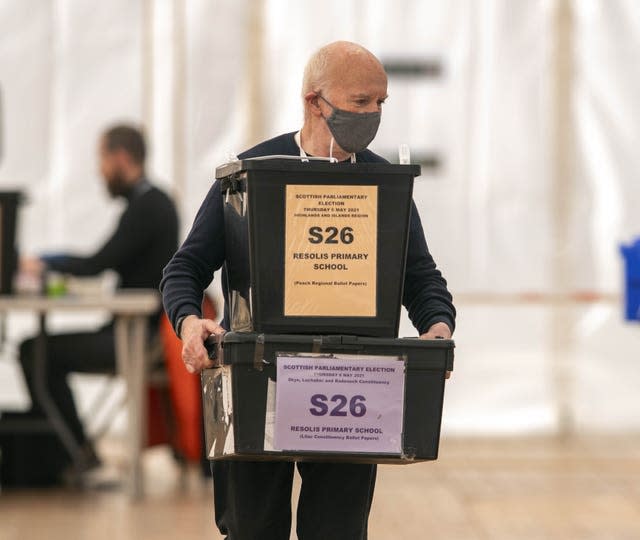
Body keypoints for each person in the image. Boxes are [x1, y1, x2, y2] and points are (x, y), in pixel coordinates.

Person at [161, 41, 455, 539]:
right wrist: (190, 323)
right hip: (256, 378)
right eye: (361, 102)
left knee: (336, 530)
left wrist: (437, 329)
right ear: (314, 100)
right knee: (253, 528)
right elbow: (185, 268)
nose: (374, 114)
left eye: (381, 103)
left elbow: (422, 278)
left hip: (352, 382)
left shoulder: (384, 183)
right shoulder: (248, 176)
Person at [14, 124, 179, 478]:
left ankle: (74, 452)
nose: (99, 170)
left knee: (34, 351)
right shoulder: (151, 202)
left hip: (136, 339)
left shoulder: (148, 205)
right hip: (133, 332)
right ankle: (74, 449)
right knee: (35, 350)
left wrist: (42, 262)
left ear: (121, 158)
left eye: (102, 160)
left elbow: (96, 263)